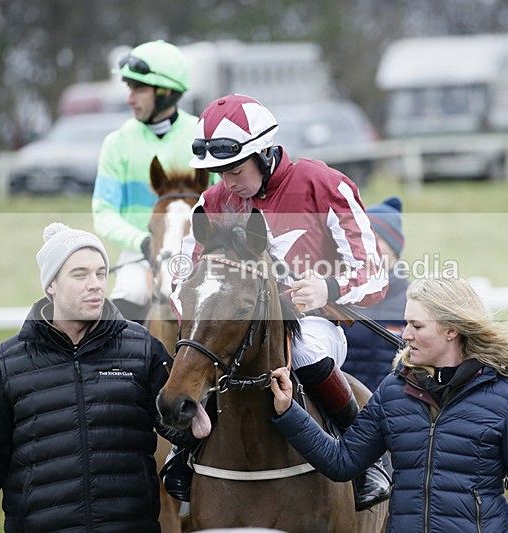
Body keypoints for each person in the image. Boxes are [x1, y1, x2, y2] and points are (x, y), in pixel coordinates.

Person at [162, 93, 391, 510]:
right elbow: (182, 278)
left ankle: (367, 461)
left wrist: (328, 288)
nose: (227, 182)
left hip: (314, 322)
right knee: (203, 352)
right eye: (217, 172)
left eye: (234, 169)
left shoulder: (323, 184)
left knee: (302, 352)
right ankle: (184, 451)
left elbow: (374, 271)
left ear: (265, 153)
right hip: (234, 326)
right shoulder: (212, 203)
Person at [270, 276, 508, 531]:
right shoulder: (393, 391)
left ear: (451, 330)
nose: (405, 334)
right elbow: (342, 462)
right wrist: (289, 411)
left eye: (417, 325)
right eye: (407, 323)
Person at [0, 223, 175, 533]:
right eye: (80, 275)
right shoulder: (9, 363)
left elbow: (184, 429)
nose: (95, 284)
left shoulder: (144, 350)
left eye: (100, 273)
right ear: (51, 284)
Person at [93, 39, 212, 323]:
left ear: (165, 92)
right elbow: (104, 213)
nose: (129, 98)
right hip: (141, 252)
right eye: (129, 88)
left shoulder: (202, 135)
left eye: (139, 89)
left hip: (201, 253)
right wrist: (144, 242)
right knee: (127, 298)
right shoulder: (116, 143)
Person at [342, 196, 408, 392]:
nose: (369, 247)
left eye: (376, 239)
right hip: (343, 410)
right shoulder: (341, 296)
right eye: (363, 238)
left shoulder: (414, 301)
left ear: (395, 247)